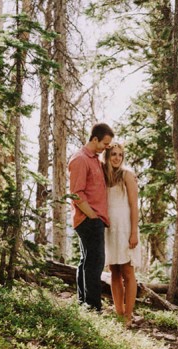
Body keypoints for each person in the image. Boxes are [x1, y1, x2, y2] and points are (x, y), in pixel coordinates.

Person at [68, 123, 114, 311]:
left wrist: (108, 148)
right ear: (94, 139)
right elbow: (76, 193)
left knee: (86, 260)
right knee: (95, 263)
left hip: (92, 218)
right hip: (88, 218)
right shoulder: (80, 159)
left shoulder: (94, 158)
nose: (106, 147)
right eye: (104, 143)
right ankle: (93, 305)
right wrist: (92, 216)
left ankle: (83, 301)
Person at [102, 143, 141, 326]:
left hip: (125, 227)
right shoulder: (104, 175)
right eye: (113, 154)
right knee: (114, 271)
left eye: (120, 155)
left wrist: (133, 232)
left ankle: (128, 315)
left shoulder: (127, 175)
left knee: (127, 270)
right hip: (110, 229)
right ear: (108, 156)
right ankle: (119, 313)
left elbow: (134, 206)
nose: (117, 158)